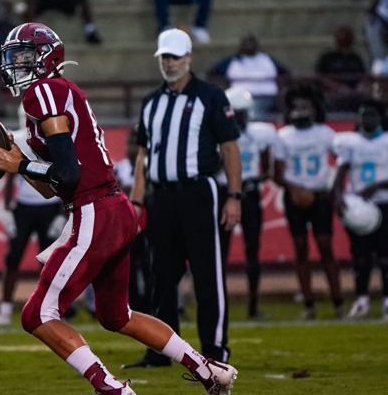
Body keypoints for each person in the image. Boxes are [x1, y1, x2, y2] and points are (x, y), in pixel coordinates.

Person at [0, 22, 237, 395]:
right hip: (111, 209)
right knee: (117, 315)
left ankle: (111, 388)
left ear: (45, 58)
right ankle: (209, 371)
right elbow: (51, 187)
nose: (16, 65)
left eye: (24, 56)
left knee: (37, 313)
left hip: (94, 210)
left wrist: (21, 164)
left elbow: (68, 175)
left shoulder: (43, 91)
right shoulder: (54, 94)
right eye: (14, 57)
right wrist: (20, 162)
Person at [125, 28, 242, 369]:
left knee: (207, 275)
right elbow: (143, 155)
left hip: (198, 192)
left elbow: (230, 147)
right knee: (160, 278)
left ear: (189, 58)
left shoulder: (211, 97)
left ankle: (215, 352)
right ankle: (161, 350)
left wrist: (234, 196)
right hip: (161, 197)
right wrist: (136, 201)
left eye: (175, 57)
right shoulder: (151, 102)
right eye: (165, 57)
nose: (169, 63)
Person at [0, 105, 63, 327]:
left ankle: (49, 309)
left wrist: (61, 213)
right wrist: (7, 210)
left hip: (49, 205)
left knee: (48, 261)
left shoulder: (51, 138)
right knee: (12, 258)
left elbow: (62, 177)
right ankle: (4, 311)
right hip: (23, 206)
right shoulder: (17, 138)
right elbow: (10, 177)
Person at [272, 85, 343, 319]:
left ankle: (338, 301)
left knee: (325, 246)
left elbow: (343, 161)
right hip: (295, 196)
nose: (301, 110)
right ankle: (308, 303)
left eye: (306, 106)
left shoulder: (326, 133)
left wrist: (334, 189)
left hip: (320, 194)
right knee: (300, 247)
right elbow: (276, 173)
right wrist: (295, 189)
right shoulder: (283, 135)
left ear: (314, 108)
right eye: (297, 106)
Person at [216, 87, 277, 319]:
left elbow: (267, 169)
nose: (237, 118)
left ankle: (253, 305)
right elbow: (211, 168)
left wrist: (251, 180)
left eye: (241, 113)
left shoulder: (260, 134)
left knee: (253, 249)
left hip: (249, 193)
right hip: (224, 194)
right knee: (220, 251)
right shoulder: (216, 134)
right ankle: (220, 306)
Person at [331, 99, 388, 320]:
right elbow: (341, 172)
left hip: (384, 203)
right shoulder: (349, 142)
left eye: (372, 115)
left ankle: (386, 300)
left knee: (385, 255)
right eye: (364, 115)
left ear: (381, 117)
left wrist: (378, 186)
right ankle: (361, 300)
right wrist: (337, 197)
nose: (368, 119)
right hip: (358, 206)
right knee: (361, 256)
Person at [114, 126, 152, 315]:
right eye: (129, 143)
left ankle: (150, 304)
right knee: (128, 266)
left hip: (148, 224)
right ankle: (133, 304)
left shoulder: (150, 167)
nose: (132, 148)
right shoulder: (118, 168)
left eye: (135, 144)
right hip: (127, 226)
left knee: (149, 265)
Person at [314, 26, 367, 112]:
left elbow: (363, 76)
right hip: (333, 93)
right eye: (341, 37)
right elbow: (319, 76)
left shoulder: (355, 57)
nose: (344, 39)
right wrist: (337, 87)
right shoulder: (328, 57)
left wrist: (359, 87)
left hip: (354, 93)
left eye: (347, 37)